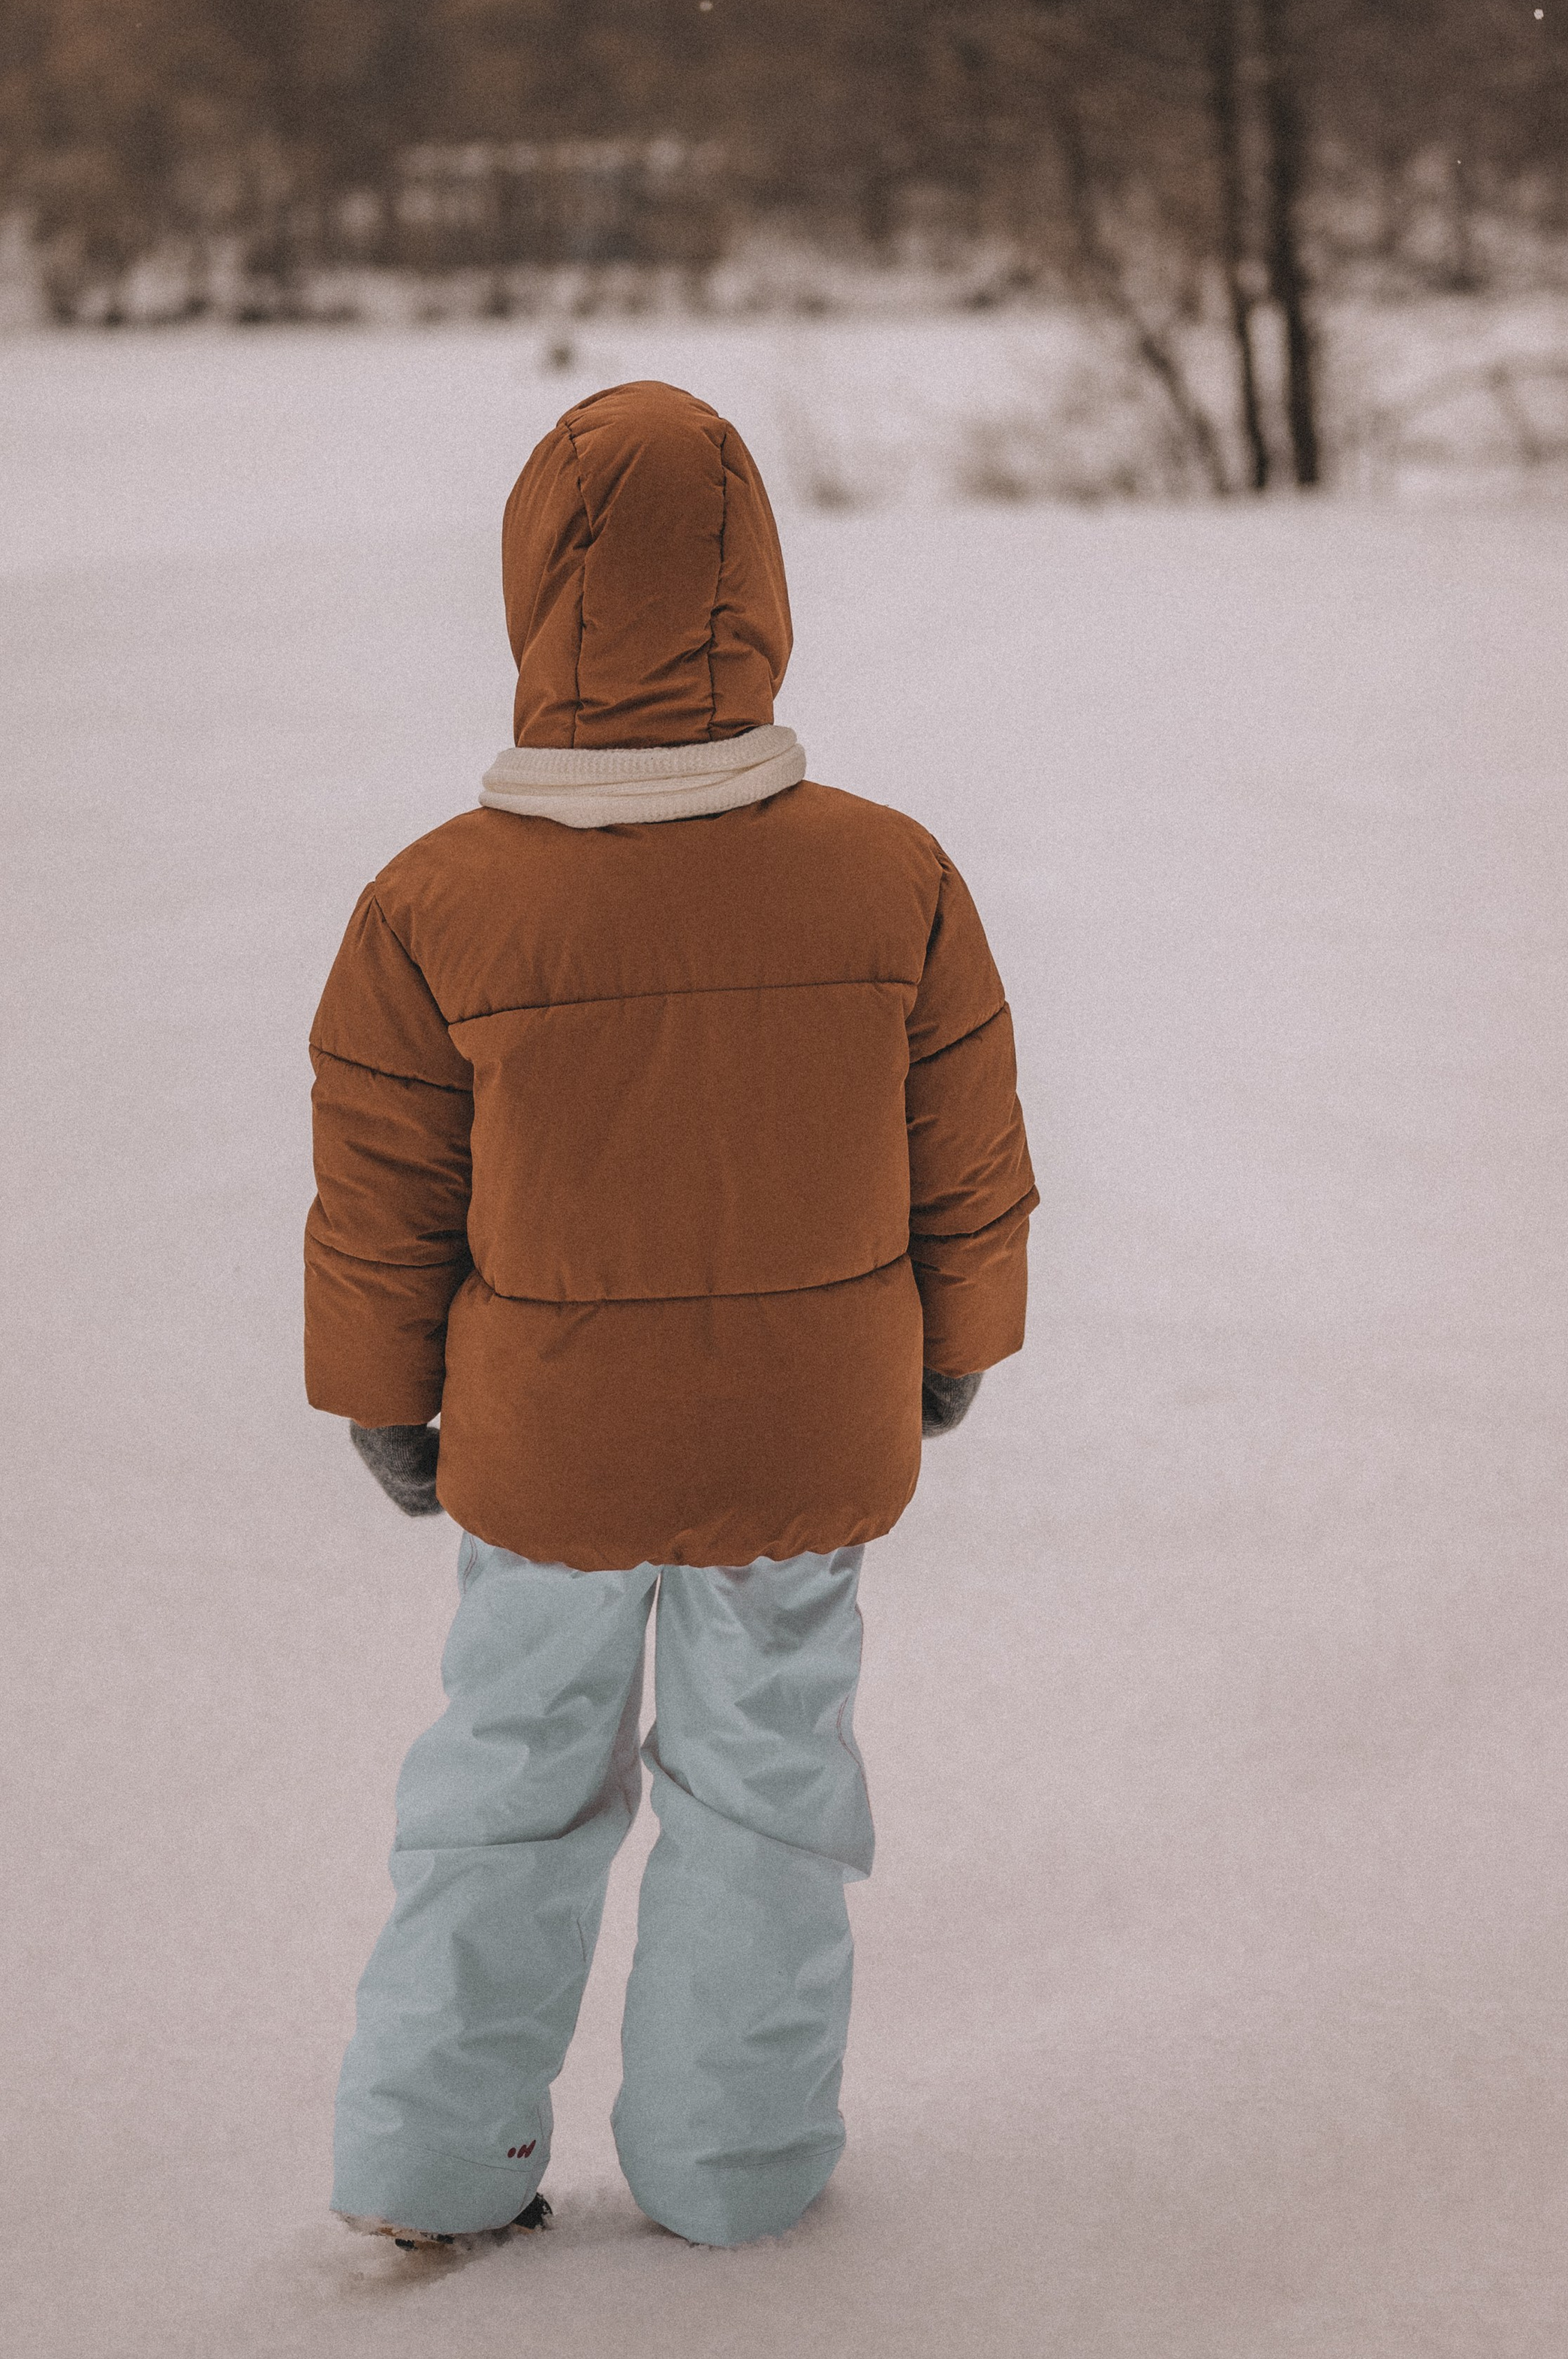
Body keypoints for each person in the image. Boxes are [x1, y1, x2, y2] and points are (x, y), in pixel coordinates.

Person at [305, 378, 1036, 2254]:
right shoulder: (891, 871)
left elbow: (385, 1198)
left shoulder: (436, 904)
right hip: (805, 1432)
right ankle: (734, 2167)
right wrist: (954, 1339)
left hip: (548, 1447)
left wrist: (387, 1396)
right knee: (768, 1798)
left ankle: (428, 2165)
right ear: (764, 594)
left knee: (505, 1790)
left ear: (528, 605)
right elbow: (965, 1156)